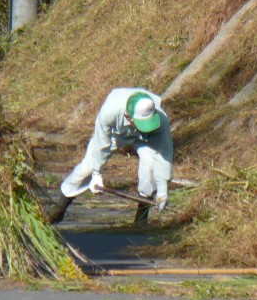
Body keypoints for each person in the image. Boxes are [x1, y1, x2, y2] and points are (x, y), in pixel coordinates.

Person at [48, 88, 174, 225]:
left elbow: (163, 155)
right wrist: (97, 173)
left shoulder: (159, 120)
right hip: (116, 134)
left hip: (145, 137)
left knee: (150, 165)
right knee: (87, 168)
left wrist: (162, 190)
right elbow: (101, 144)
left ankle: (142, 216)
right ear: (128, 116)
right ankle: (60, 208)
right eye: (141, 123)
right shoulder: (109, 112)